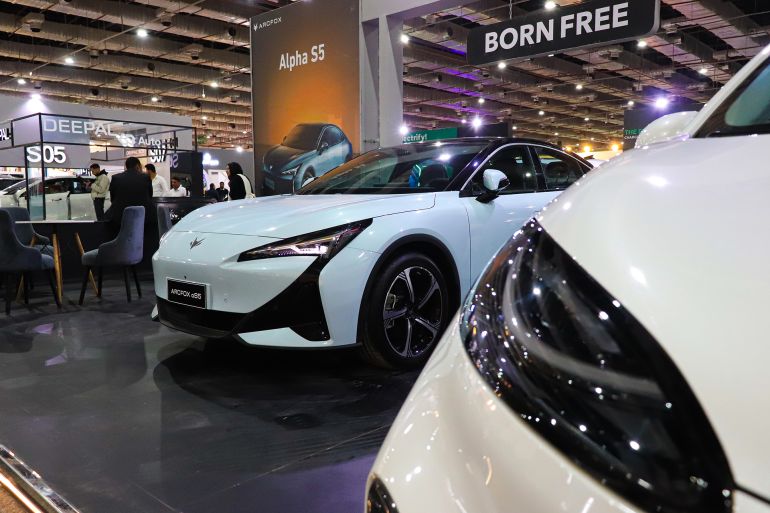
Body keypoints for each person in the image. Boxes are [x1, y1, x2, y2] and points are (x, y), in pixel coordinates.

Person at [106, 157, 152, 234]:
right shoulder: (145, 177)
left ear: (126, 166)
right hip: (142, 217)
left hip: (120, 218)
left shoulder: (116, 178)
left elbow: (112, 199)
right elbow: (149, 196)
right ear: (138, 166)